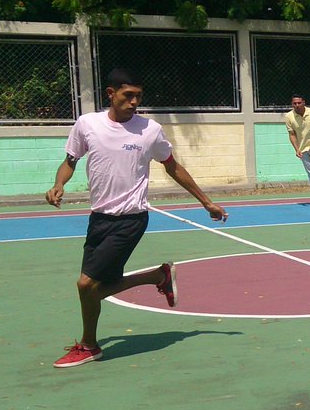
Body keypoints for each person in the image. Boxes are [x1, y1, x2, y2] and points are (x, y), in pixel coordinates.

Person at [45, 68, 228, 368]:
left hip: (130, 220)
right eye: (128, 95)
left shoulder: (150, 130)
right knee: (101, 286)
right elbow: (70, 161)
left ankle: (90, 345)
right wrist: (59, 184)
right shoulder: (87, 124)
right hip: (98, 220)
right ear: (110, 94)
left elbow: (173, 167)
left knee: (85, 285)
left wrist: (207, 202)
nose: (133, 102)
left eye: (138, 97)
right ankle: (158, 276)